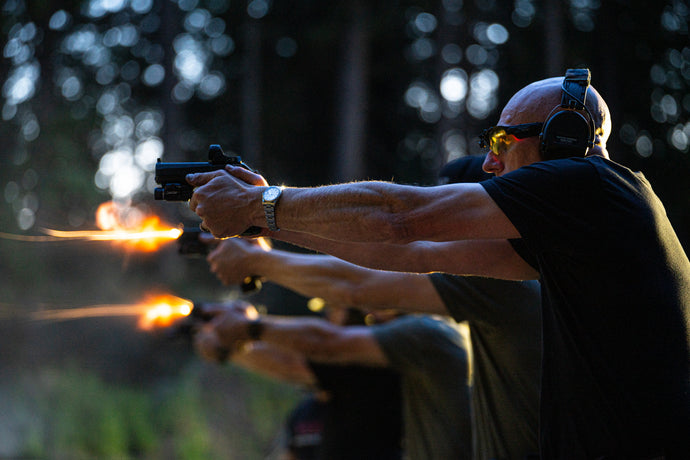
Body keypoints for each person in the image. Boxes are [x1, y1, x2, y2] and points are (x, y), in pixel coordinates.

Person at [188, 69, 690, 458]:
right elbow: (409, 253)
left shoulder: (591, 186)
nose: (491, 164)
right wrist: (266, 223)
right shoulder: (576, 228)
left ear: (563, 137)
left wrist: (263, 205)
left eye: (502, 142)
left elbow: (400, 218)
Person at [202, 155, 542, 460]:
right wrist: (265, 225)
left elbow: (360, 287)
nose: (439, 235)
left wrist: (261, 251)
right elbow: (382, 260)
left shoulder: (484, 300)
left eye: (448, 220)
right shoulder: (497, 294)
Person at [195, 302, 472, 460]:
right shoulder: (314, 407)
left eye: (336, 309)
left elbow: (295, 363)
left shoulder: (381, 364)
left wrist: (234, 342)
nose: (329, 318)